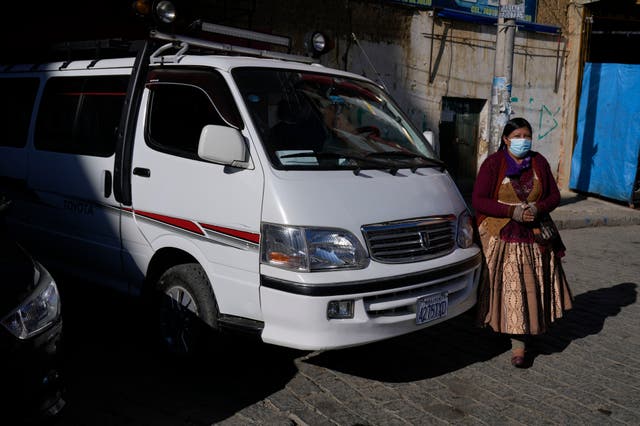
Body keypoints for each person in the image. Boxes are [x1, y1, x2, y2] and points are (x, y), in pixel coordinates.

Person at [472, 117, 573, 368]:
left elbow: (554, 195)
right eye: (517, 136)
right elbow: (479, 199)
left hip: (535, 234)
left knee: (532, 288)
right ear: (506, 139)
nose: (522, 141)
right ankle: (516, 342)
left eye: (526, 136)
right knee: (511, 289)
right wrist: (511, 212)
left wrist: (538, 208)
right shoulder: (493, 164)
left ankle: (525, 333)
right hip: (504, 233)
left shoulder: (539, 162)